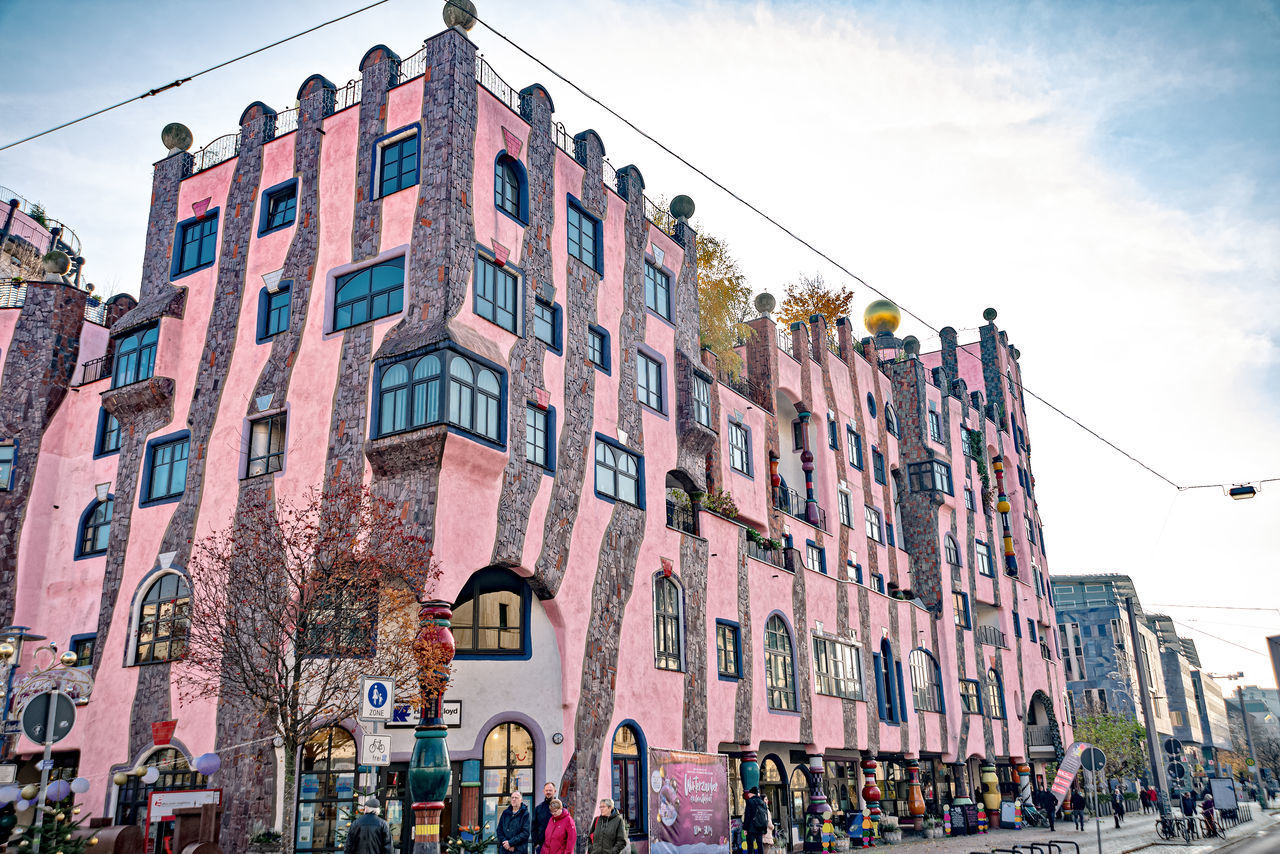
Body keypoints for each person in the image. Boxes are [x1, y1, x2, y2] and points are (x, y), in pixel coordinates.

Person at [743, 786, 770, 854]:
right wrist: (764, 830)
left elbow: (747, 816)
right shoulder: (762, 802)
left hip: (751, 828)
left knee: (750, 846)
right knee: (760, 846)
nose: (748, 794)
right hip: (760, 828)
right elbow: (765, 817)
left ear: (752, 793)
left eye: (749, 793)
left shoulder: (749, 801)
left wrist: (745, 828)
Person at [533, 782, 558, 854]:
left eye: (550, 790)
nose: (548, 792)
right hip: (542, 847)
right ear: (543, 791)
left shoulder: (562, 807)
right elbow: (534, 827)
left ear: (555, 791)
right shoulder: (538, 809)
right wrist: (536, 845)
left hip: (558, 847)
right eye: (546, 790)